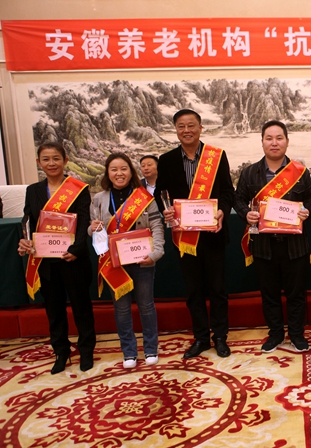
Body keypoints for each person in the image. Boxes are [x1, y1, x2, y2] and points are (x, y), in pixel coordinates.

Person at [154, 109, 235, 359]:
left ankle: (220, 337)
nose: (186, 130)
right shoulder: (166, 160)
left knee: (217, 289)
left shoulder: (216, 156)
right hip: (185, 238)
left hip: (213, 234)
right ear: (176, 130)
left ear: (200, 128)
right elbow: (160, 192)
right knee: (194, 291)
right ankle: (201, 338)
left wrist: (222, 211)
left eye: (191, 125)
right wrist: (166, 209)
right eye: (181, 126)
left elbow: (227, 191)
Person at [233, 120, 311, 353]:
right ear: (262, 142)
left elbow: (310, 198)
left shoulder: (300, 172)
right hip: (264, 245)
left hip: (294, 245)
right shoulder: (250, 173)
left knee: (296, 294)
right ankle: (276, 334)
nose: (274, 143)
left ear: (287, 141)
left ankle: (297, 334)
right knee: (269, 294)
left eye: (279, 138)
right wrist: (246, 213)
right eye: (269, 138)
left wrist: (306, 210)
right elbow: (238, 199)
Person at [17, 142, 96, 374]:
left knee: (81, 307)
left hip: (73, 258)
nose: (51, 163)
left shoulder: (78, 188)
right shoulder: (33, 190)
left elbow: (83, 220)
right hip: (45, 260)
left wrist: (76, 249)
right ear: (38, 162)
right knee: (54, 309)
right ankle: (61, 351)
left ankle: (86, 349)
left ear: (65, 161)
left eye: (56, 158)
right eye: (46, 159)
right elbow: (28, 219)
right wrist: (25, 238)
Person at [89, 153, 165, 368]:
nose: (119, 173)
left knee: (146, 306)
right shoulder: (99, 199)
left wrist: (156, 253)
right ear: (108, 173)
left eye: (124, 169)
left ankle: (151, 348)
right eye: (114, 169)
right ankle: (129, 352)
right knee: (121, 309)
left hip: (142, 260)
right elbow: (94, 230)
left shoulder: (144, 197)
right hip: (114, 263)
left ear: (131, 172)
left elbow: (157, 226)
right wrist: (91, 228)